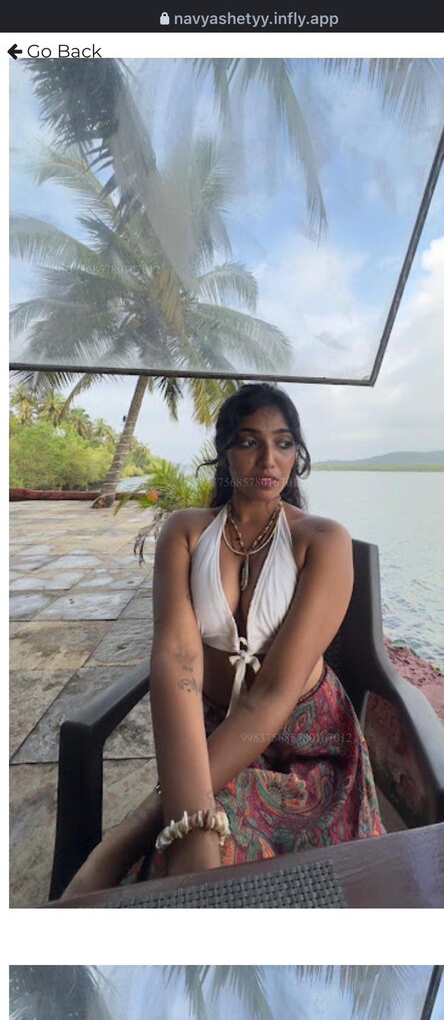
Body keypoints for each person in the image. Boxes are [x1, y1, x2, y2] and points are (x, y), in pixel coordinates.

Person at [63, 382, 382, 896]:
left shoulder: (323, 540)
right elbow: (177, 658)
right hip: (212, 730)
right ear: (224, 451)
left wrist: (158, 822)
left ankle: (128, 834)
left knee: (205, 863)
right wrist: (192, 821)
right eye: (249, 440)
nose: (268, 459)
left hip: (307, 746)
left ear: (297, 454)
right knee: (183, 870)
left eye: (283, 442)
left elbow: (273, 692)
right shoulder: (186, 532)